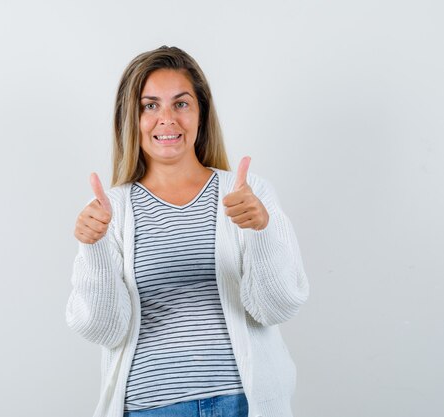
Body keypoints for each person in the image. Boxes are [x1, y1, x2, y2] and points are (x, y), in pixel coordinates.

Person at [66, 45, 309, 417]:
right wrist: (94, 248)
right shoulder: (106, 211)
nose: (167, 119)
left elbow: (275, 308)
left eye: (181, 103)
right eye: (150, 105)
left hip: (242, 404)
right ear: (131, 117)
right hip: (151, 408)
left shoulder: (249, 195)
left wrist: (262, 231)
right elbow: (105, 331)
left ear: (200, 114)